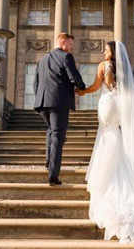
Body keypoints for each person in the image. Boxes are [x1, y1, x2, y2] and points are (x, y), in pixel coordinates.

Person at [77, 41, 134, 243]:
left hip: (107, 103)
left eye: (106, 49)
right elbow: (126, 89)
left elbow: (97, 86)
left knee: (107, 135)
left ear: (112, 52)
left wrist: (82, 92)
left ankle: (105, 178)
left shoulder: (103, 66)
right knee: (115, 134)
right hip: (120, 105)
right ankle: (118, 169)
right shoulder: (124, 68)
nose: (104, 52)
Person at [34, 32, 86, 186]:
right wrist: (82, 87)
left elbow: (36, 83)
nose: (71, 48)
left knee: (51, 130)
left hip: (42, 102)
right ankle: (53, 176)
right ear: (63, 42)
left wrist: (39, 99)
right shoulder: (66, 57)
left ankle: (48, 162)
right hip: (58, 102)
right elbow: (73, 77)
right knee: (58, 136)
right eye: (70, 44)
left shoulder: (42, 60)